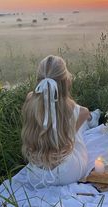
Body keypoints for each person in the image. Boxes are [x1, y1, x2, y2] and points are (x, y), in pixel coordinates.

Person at [21, 55, 100, 188]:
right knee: (76, 132)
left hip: (37, 176)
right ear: (66, 81)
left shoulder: (30, 100)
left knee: (69, 127)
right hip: (68, 173)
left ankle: (93, 118)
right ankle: (93, 118)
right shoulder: (80, 111)